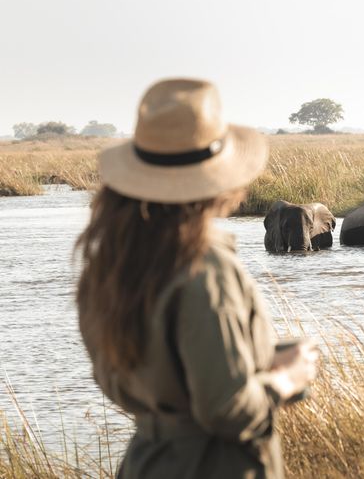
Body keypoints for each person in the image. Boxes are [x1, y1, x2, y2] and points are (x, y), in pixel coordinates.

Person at [75, 78, 319, 478]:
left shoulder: (110, 263)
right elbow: (226, 409)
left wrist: (255, 358)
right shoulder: (205, 267)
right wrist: (284, 380)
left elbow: (145, 376)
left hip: (145, 462)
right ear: (216, 178)